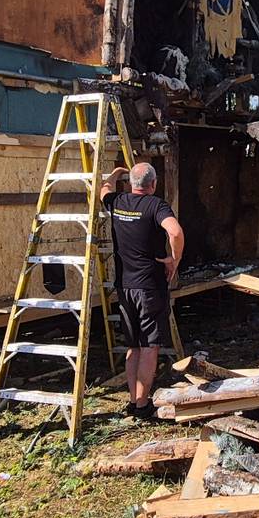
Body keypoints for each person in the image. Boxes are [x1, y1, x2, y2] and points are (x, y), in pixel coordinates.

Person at [100, 161, 185, 420]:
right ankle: (142, 405)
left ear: (130, 184)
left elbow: (103, 189)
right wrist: (174, 259)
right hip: (149, 287)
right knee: (149, 346)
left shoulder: (117, 201)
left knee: (133, 346)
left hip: (125, 286)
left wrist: (116, 173)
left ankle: (132, 401)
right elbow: (175, 232)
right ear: (154, 184)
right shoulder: (156, 205)